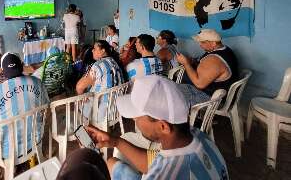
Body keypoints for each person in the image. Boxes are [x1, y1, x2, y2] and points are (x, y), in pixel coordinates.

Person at [87, 75, 229, 180]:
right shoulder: (198, 136)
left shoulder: (163, 175)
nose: (134, 119)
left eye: (137, 117)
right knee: (112, 162)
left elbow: (162, 168)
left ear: (163, 126)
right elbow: (158, 160)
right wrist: (115, 142)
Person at [0, 53, 49, 159]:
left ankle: (11, 165)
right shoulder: (37, 82)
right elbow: (45, 105)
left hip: (8, 150)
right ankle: (33, 155)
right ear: (22, 66)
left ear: (2, 71)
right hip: (36, 140)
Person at [176, 29, 239, 106]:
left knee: (171, 92)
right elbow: (204, 63)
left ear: (213, 43)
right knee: (169, 86)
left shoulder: (214, 60)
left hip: (210, 98)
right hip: (214, 93)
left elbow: (199, 84)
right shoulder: (224, 49)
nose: (200, 45)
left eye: (203, 42)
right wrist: (192, 61)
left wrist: (186, 64)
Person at [76, 40, 124, 121]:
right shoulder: (115, 63)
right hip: (115, 109)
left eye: (95, 48)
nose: (92, 50)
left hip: (100, 112)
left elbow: (79, 87)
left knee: (78, 100)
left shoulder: (97, 66)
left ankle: (87, 125)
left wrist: (82, 98)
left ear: (103, 51)